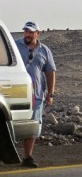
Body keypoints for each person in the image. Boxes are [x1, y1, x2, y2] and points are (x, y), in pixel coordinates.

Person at [15, 21, 56, 168]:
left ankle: (27, 156)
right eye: (26, 31)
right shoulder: (14, 46)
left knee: (32, 126)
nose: (27, 34)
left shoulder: (45, 51)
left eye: (31, 32)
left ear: (37, 33)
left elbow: (50, 72)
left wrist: (50, 94)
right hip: (16, 93)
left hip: (36, 95)